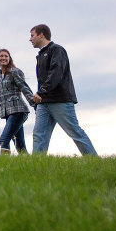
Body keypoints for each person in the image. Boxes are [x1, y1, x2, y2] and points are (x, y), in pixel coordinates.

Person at [29, 24, 98, 156]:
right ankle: (36, 164)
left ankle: (93, 159)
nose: (30, 39)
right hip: (44, 103)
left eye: (32, 35)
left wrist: (41, 92)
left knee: (74, 132)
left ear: (41, 35)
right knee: (39, 135)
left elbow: (56, 74)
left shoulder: (57, 50)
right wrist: (40, 97)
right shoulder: (41, 55)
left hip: (60, 100)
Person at [0, 48, 36, 155]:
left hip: (18, 110)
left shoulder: (15, 72)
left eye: (6, 56)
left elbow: (24, 88)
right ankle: (27, 164)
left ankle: (4, 167)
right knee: (19, 145)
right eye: (1, 56)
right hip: (9, 113)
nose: (3, 58)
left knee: (4, 140)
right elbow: (1, 98)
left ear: (9, 58)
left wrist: (34, 104)